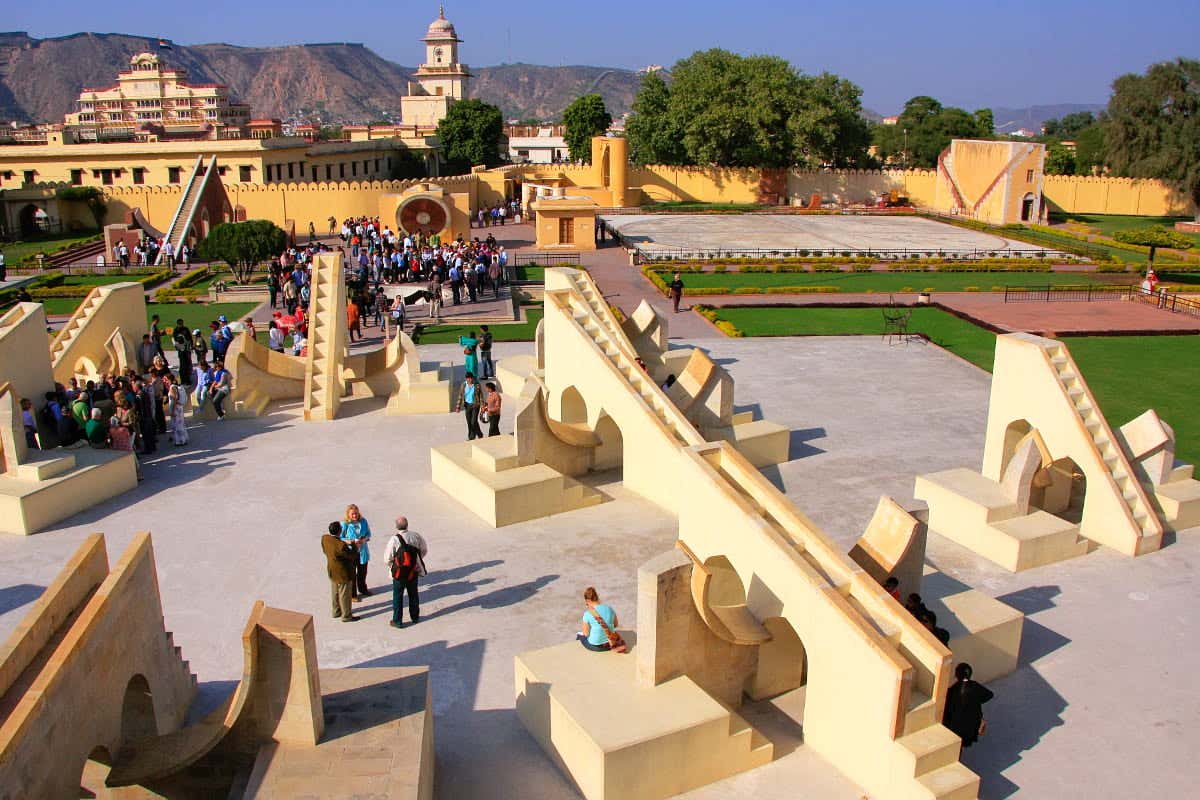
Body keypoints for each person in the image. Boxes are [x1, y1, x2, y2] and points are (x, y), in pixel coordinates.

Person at [385, 516, 428, 628]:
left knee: (398, 596)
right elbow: (424, 550)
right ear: (407, 525)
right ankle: (415, 617)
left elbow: (387, 558)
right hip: (413, 571)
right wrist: (417, 560)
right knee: (413, 594)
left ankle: (397, 620)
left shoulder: (394, 539)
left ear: (396, 526)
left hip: (399, 573)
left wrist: (393, 565)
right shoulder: (415, 536)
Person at [942, 663, 994, 748]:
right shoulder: (975, 686)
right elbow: (989, 695)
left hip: (955, 725)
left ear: (957, 675)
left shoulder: (952, 690)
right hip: (971, 724)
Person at [322, 522, 359, 623]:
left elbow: (325, 550)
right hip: (343, 572)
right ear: (340, 531)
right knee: (344, 594)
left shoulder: (325, 538)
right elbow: (352, 556)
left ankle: (336, 611)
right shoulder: (341, 546)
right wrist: (354, 545)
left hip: (332, 569)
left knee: (335, 591)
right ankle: (346, 615)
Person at [340, 504, 372, 599]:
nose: (355, 516)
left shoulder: (363, 521)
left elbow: (368, 534)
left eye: (356, 513)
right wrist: (351, 541)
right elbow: (340, 537)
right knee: (352, 574)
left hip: (362, 551)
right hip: (351, 552)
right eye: (353, 514)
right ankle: (352, 594)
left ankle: (363, 589)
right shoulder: (345, 524)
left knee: (363, 572)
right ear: (348, 514)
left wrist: (364, 539)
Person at [577, 587, 624, 652]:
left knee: (579, 636)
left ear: (587, 601)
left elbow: (586, 634)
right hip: (610, 643)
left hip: (596, 646)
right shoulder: (609, 608)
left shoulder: (587, 614)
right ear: (597, 597)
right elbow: (615, 625)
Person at [455, 372, 484, 441]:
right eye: (468, 378)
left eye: (471, 378)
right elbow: (460, 395)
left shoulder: (477, 385)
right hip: (467, 405)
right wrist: (458, 406)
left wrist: (482, 406)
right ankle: (474, 435)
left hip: (475, 405)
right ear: (466, 379)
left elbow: (481, 396)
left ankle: (475, 435)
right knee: (469, 422)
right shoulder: (464, 385)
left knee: (473, 421)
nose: (469, 380)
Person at [164, 373, 188, 446]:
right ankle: (182, 439)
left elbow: (174, 399)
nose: (165, 381)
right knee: (179, 424)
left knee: (177, 425)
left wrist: (173, 410)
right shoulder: (175, 386)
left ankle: (180, 441)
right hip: (178, 407)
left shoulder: (172, 387)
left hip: (176, 408)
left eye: (166, 380)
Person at [172, 320, 193, 386]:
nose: (181, 325)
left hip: (187, 350)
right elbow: (174, 340)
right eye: (179, 324)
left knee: (188, 365)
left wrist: (191, 346)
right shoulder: (176, 331)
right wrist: (178, 346)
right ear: (178, 324)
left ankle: (187, 379)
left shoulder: (186, 329)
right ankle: (182, 380)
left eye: (181, 324)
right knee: (182, 366)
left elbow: (190, 338)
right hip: (181, 350)